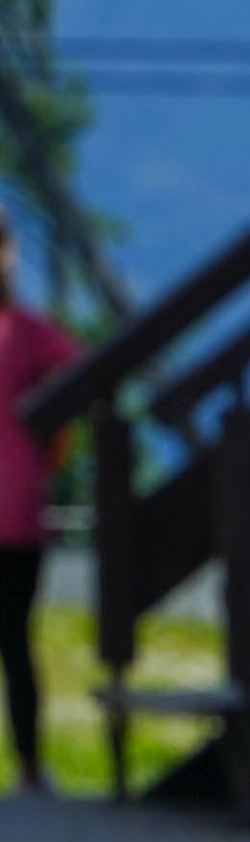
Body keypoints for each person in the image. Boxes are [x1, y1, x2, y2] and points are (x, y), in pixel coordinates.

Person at [0, 218, 78, 798]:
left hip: (18, 512)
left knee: (15, 640)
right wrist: (51, 447)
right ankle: (30, 768)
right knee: (15, 641)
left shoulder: (29, 331)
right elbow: (85, 375)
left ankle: (29, 763)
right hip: (21, 507)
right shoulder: (28, 332)